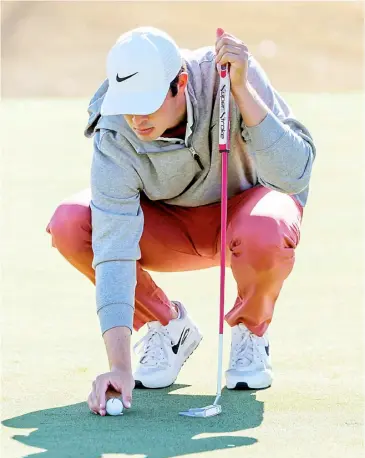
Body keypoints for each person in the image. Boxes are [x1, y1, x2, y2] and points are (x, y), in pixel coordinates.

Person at [46, 26, 315, 416]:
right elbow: (113, 246)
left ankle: (251, 329)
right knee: (72, 223)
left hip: (245, 221)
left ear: (181, 83)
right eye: (128, 104)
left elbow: (294, 176)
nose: (136, 118)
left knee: (267, 227)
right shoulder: (115, 130)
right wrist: (119, 367)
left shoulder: (231, 75)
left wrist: (242, 93)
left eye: (148, 102)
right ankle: (168, 327)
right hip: (169, 230)